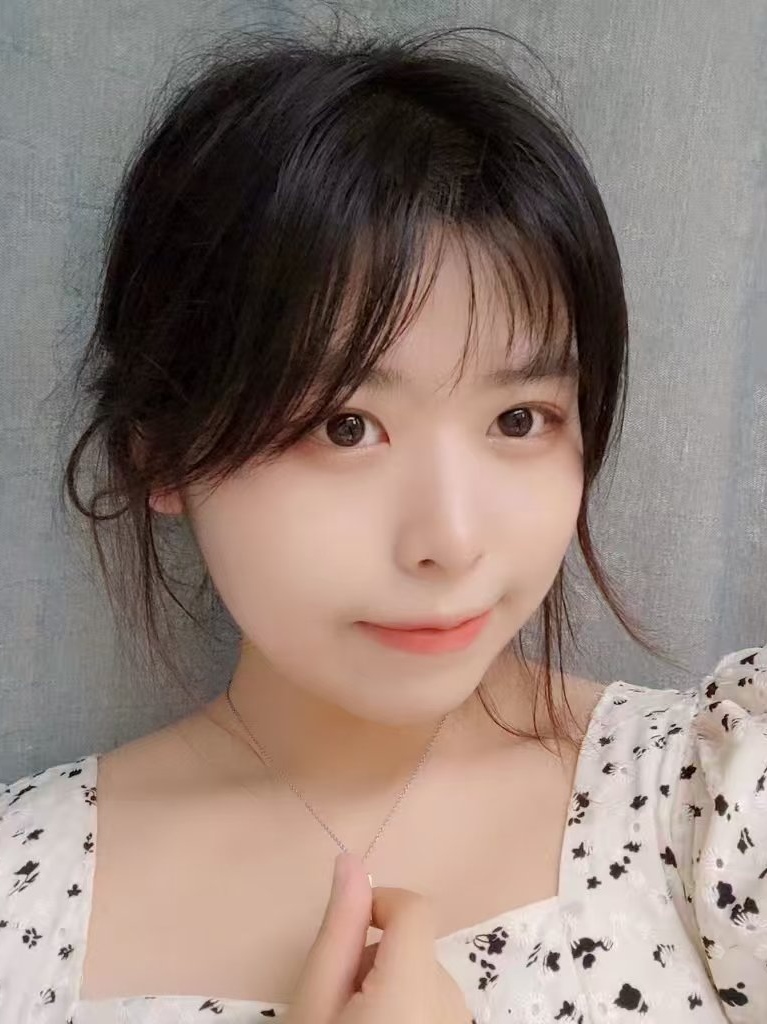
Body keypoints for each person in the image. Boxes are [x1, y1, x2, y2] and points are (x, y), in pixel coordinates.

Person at [0, 22, 764, 1024]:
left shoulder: (712, 804)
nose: (449, 541)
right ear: (163, 452)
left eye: (518, 419)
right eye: (344, 426)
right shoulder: (24, 899)